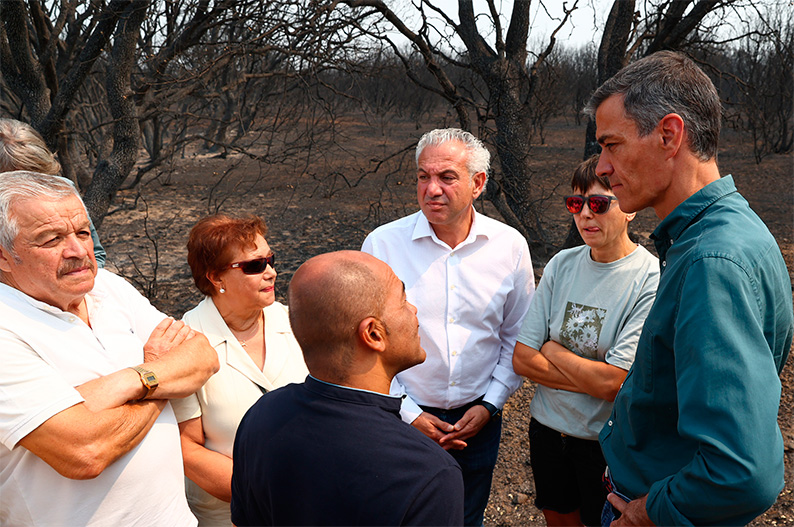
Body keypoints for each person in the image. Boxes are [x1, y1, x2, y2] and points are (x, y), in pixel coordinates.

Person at [582, 50, 793, 526]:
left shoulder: (710, 260)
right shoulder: (731, 227)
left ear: (669, 135)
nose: (601, 167)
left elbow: (744, 471)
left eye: (612, 144)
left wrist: (652, 513)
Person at [0, 171, 219, 525]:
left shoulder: (109, 288)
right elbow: (85, 452)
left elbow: (203, 357)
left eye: (83, 232)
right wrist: (159, 377)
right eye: (51, 239)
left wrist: (130, 382)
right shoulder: (6, 327)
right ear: (3, 257)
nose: (79, 251)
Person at [362, 128, 534, 525]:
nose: (432, 189)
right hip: (399, 418)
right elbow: (367, 344)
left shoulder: (509, 246)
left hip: (478, 422)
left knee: (465, 517)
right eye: (424, 176)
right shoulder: (383, 245)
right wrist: (408, 413)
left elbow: (515, 336)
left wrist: (490, 404)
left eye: (446, 177)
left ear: (478, 183)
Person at [231, 250, 464, 526]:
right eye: (403, 300)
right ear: (374, 334)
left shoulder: (262, 416)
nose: (414, 310)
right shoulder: (427, 473)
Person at [512, 155, 659, 527]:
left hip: (605, 444)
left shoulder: (650, 278)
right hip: (547, 431)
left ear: (628, 208)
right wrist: (594, 379)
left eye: (598, 204)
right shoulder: (562, 264)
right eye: (576, 204)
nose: (585, 215)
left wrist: (553, 348)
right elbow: (522, 359)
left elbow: (615, 383)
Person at [170, 214, 308, 526]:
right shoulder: (185, 343)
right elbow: (186, 447)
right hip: (228, 515)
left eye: (270, 260)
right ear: (216, 278)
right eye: (254, 265)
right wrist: (263, 496)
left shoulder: (295, 323)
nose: (271, 272)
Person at [0, 117, 107, 267]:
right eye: (16, 181)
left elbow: (96, 256)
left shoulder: (62, 189)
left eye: (35, 176)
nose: (28, 187)